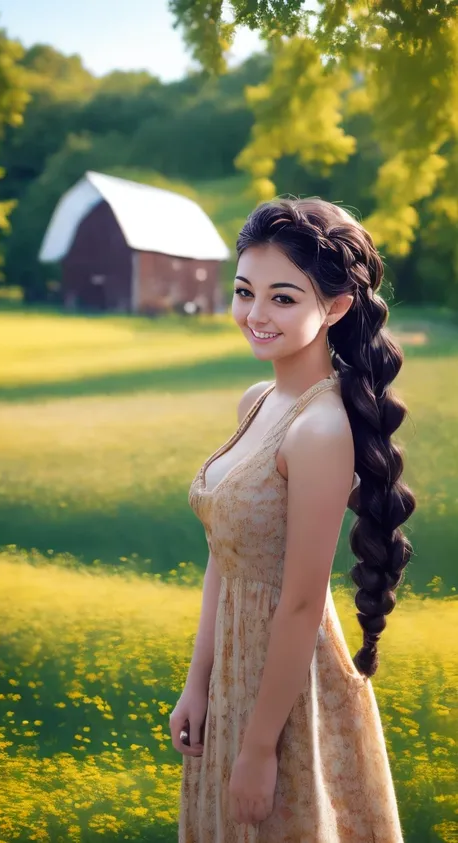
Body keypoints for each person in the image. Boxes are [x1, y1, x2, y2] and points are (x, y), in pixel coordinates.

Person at [170, 197, 416, 842]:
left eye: (283, 298)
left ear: (334, 307)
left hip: (288, 688)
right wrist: (197, 683)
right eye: (245, 291)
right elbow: (226, 553)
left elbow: (303, 603)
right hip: (233, 670)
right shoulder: (258, 401)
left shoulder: (321, 429)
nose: (255, 315)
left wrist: (258, 749)